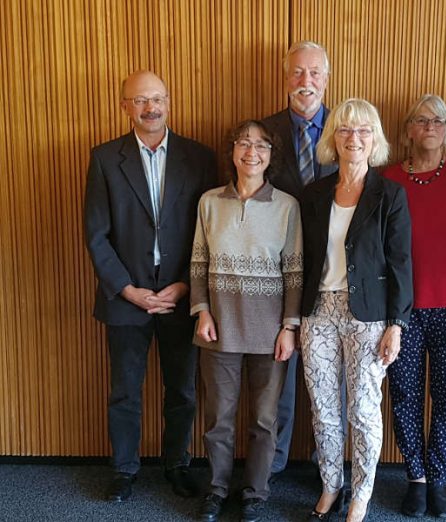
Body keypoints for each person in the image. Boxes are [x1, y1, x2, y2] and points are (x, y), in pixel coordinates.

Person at [83, 70, 217, 502]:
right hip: (126, 298)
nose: (150, 107)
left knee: (181, 388)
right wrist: (125, 288)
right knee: (124, 389)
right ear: (125, 106)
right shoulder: (105, 159)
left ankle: (176, 464)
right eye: (140, 100)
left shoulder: (199, 158)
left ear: (169, 101)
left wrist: (184, 286)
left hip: (180, 295)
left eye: (156, 98)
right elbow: (96, 233)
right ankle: (123, 470)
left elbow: (208, 231)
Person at [300, 98, 413, 522]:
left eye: (363, 131)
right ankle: (331, 485)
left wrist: (396, 325)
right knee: (324, 408)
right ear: (333, 138)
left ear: (375, 139)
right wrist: (294, 319)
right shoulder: (314, 194)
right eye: (345, 130)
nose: (354, 138)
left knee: (363, 410)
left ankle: (361, 494)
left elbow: (401, 262)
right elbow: (304, 262)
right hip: (318, 314)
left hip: (369, 316)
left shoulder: (390, 195)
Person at [190, 120, 303, 522]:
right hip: (218, 325)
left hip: (270, 332)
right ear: (232, 151)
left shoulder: (287, 206)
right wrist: (201, 310)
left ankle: (256, 493)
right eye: (243, 143)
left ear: (272, 156)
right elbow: (198, 263)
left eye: (261, 145)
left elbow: (294, 272)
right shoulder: (209, 202)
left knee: (263, 420)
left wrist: (290, 327)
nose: (251, 151)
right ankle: (217, 490)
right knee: (218, 418)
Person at [383, 94, 446, 518]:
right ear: (408, 130)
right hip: (401, 310)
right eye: (421, 120)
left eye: (439, 120)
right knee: (404, 393)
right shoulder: (386, 179)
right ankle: (416, 480)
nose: (430, 127)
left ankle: (439, 477)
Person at [261, 40, 338, 477]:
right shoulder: (263, 133)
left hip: (334, 274)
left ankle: (330, 469)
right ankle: (272, 468)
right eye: (296, 73)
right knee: (280, 376)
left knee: (331, 381)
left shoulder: (347, 128)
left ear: (326, 79)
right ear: (285, 78)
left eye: (314, 73)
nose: (304, 82)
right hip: (278, 274)